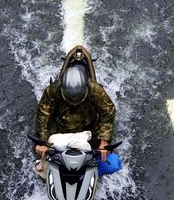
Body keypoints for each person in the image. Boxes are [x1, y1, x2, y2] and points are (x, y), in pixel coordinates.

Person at [34, 46, 116, 174]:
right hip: (60, 124)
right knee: (41, 151)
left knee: (104, 154)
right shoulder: (52, 91)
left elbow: (108, 111)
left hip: (88, 124)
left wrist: (103, 142)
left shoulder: (96, 90)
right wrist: (42, 142)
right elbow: (43, 115)